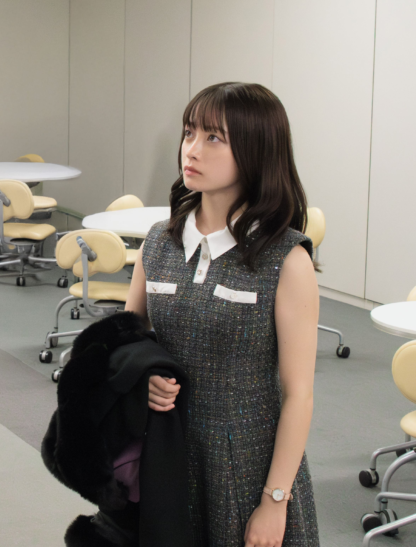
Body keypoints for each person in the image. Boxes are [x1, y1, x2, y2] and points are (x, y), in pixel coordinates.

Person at [124, 82, 320, 547]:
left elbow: (299, 395)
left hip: (246, 465)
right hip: (164, 455)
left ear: (256, 151)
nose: (191, 149)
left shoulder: (286, 259)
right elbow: (126, 343)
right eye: (189, 132)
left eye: (214, 138)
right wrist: (141, 376)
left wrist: (275, 501)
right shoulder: (159, 242)